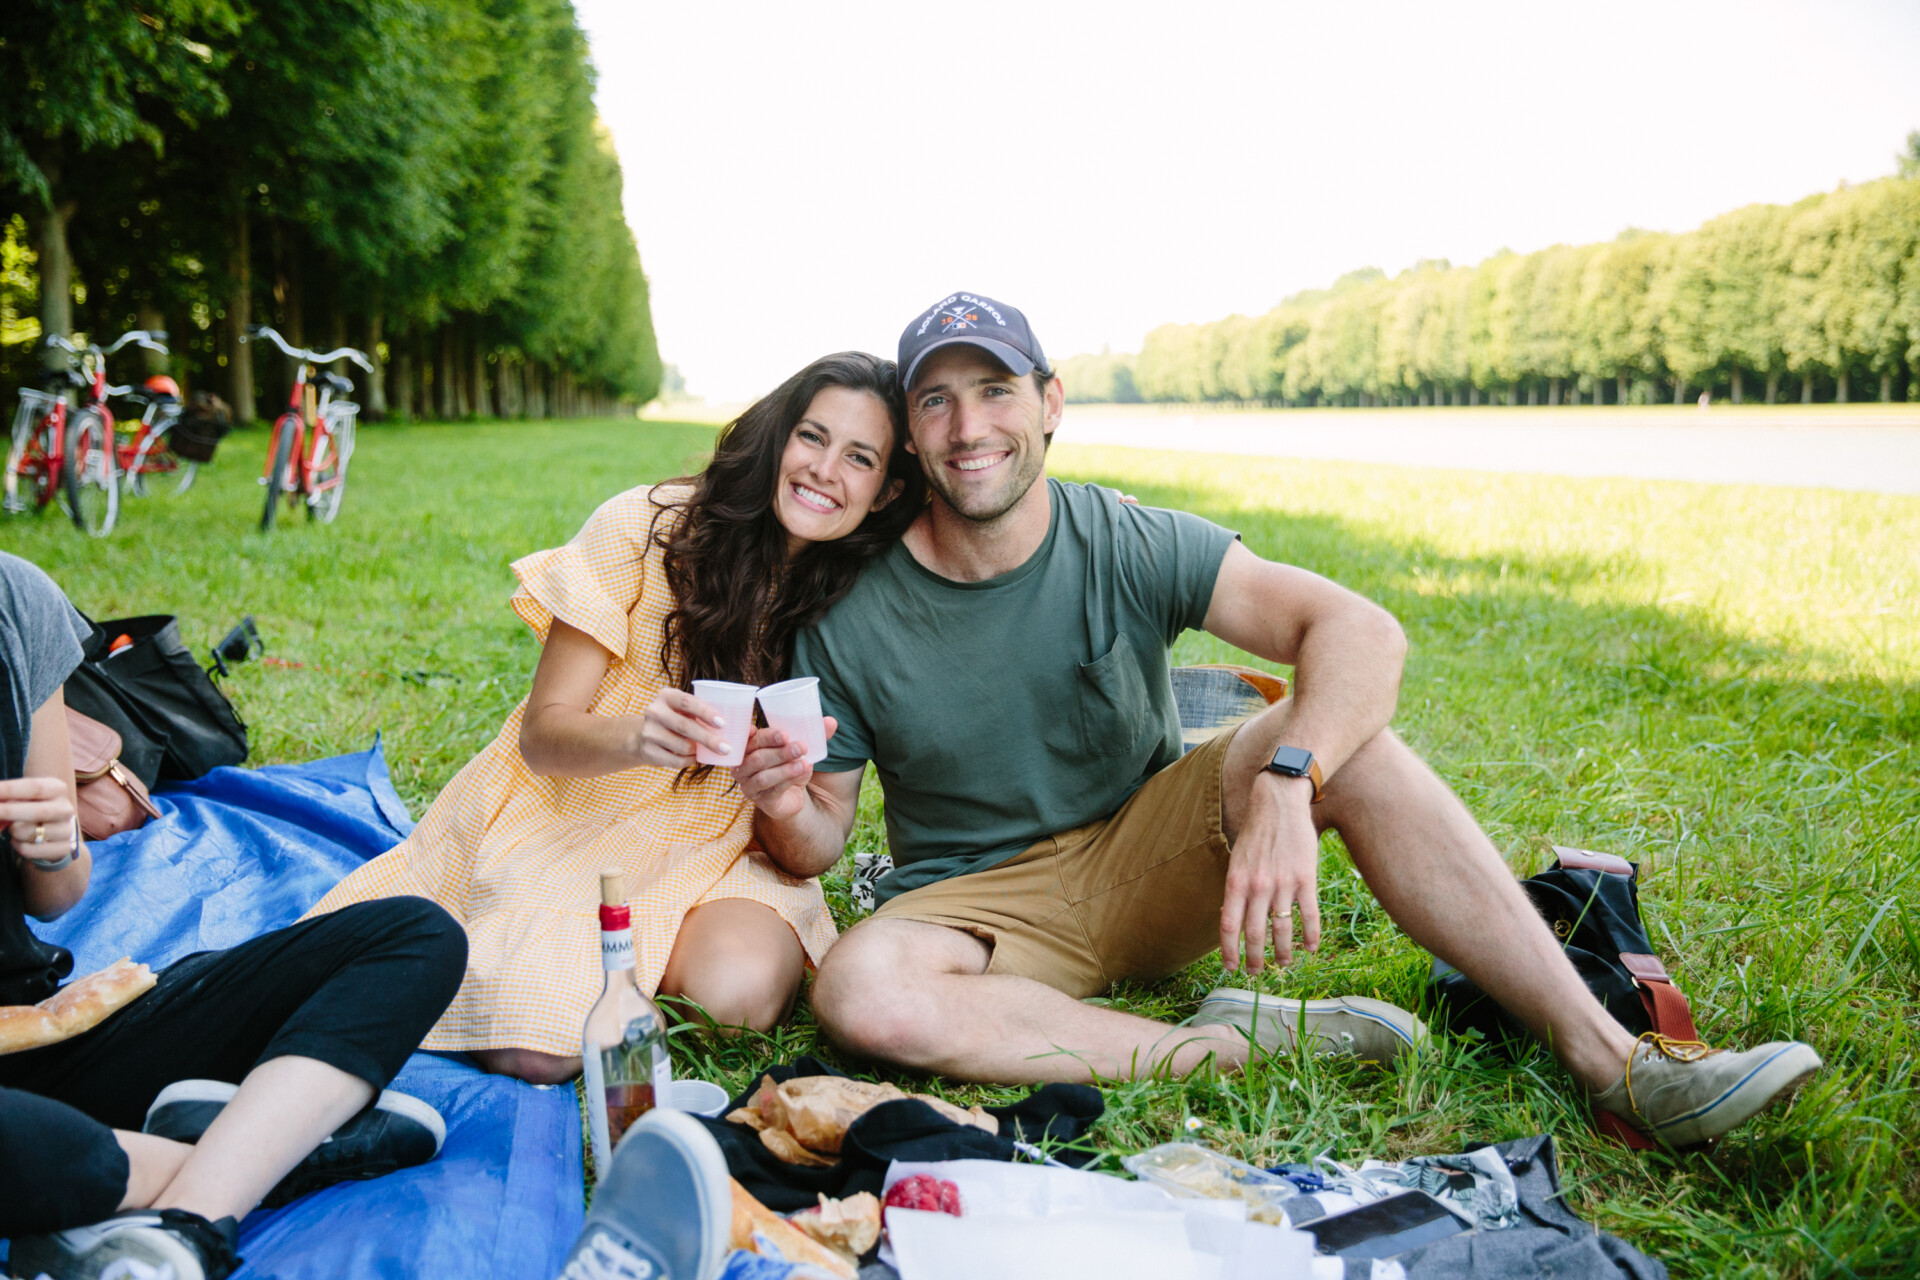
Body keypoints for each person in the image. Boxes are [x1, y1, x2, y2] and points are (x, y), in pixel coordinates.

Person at [735, 292, 1822, 1148]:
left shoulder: (1126, 538)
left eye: (995, 388)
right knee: (860, 989)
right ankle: (1221, 1044)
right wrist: (784, 799)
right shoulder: (850, 607)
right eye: (936, 401)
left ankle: (1615, 1062)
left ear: (1050, 401)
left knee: (1354, 741)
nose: (971, 425)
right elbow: (821, 835)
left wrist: (1291, 782)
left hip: (1146, 851)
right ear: (915, 437)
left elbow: (1359, 630)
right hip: (983, 913)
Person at [304, 352, 923, 1085]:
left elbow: (818, 843)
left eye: (860, 457)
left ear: (884, 492)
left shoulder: (856, 602)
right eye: (812, 437)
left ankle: (610, 979)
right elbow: (545, 734)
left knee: (738, 997)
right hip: (575, 814)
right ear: (776, 435)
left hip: (722, 840)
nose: (826, 469)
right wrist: (639, 735)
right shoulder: (646, 526)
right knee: (537, 1048)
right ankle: (569, 983)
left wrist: (782, 801)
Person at [0, 551, 466, 1280]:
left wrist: (55, 852)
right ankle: (262, 1157)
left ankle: (182, 1227)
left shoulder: (15, 601)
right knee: (39, 1147)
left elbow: (55, 893)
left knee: (414, 935)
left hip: (35, 1036)